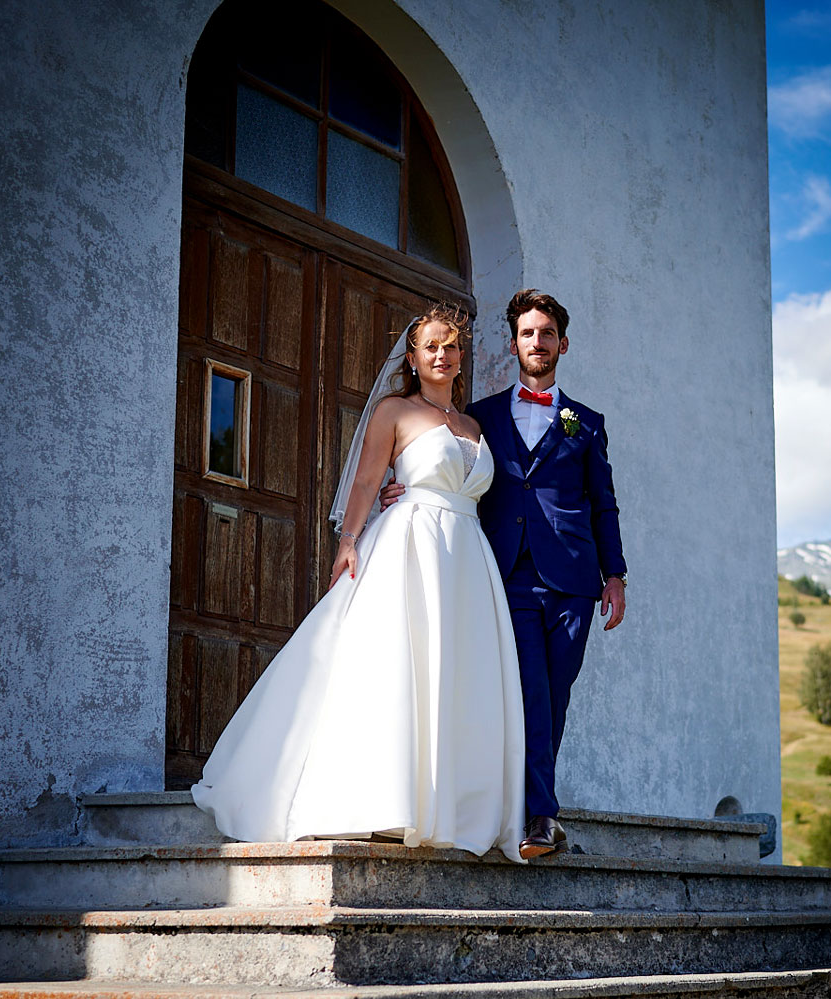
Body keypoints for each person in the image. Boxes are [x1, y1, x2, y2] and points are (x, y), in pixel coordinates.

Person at [190, 304, 529, 860]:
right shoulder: (394, 411)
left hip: (468, 558)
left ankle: (451, 807)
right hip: (410, 547)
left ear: (460, 358)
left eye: (451, 346)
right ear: (414, 358)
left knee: (457, 673)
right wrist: (348, 542)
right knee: (397, 666)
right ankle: (381, 799)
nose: (441, 354)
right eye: (431, 347)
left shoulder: (474, 426)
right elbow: (370, 480)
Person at [390, 290, 627, 858]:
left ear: (561, 344)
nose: (537, 342)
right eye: (527, 333)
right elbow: (446, 462)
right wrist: (403, 490)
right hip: (509, 575)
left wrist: (614, 576)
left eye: (546, 333)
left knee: (556, 696)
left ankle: (533, 807)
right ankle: (540, 818)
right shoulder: (485, 417)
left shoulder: (586, 424)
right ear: (514, 342)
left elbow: (604, 504)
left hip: (573, 578)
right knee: (529, 693)